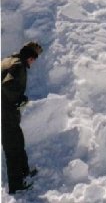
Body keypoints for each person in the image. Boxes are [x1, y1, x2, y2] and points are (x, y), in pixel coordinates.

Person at [2, 41, 43, 195]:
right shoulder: (18, 65)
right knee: (12, 145)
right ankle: (16, 184)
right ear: (29, 56)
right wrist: (18, 99)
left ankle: (23, 171)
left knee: (18, 139)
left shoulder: (9, 59)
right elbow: (6, 85)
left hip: (7, 111)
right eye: (34, 58)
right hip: (6, 112)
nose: (34, 61)